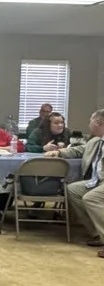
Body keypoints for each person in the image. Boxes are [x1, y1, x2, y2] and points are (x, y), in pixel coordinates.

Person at [46, 109, 104, 257]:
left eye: (91, 121)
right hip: (96, 181)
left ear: (98, 122)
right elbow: (79, 150)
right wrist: (59, 152)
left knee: (91, 198)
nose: (89, 124)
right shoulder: (96, 141)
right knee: (72, 190)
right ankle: (97, 233)